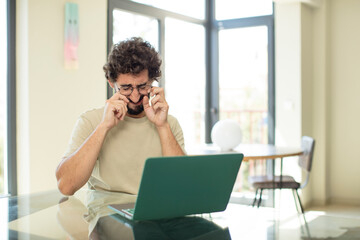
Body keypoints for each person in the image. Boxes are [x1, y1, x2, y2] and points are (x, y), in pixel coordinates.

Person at [56, 37, 185, 196]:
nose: (136, 96)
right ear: (112, 83)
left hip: (156, 213)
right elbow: (66, 186)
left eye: (142, 86)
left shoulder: (169, 124)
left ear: (152, 81)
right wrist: (104, 127)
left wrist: (162, 126)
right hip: (107, 214)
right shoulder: (91, 121)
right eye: (126, 88)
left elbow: (182, 183)